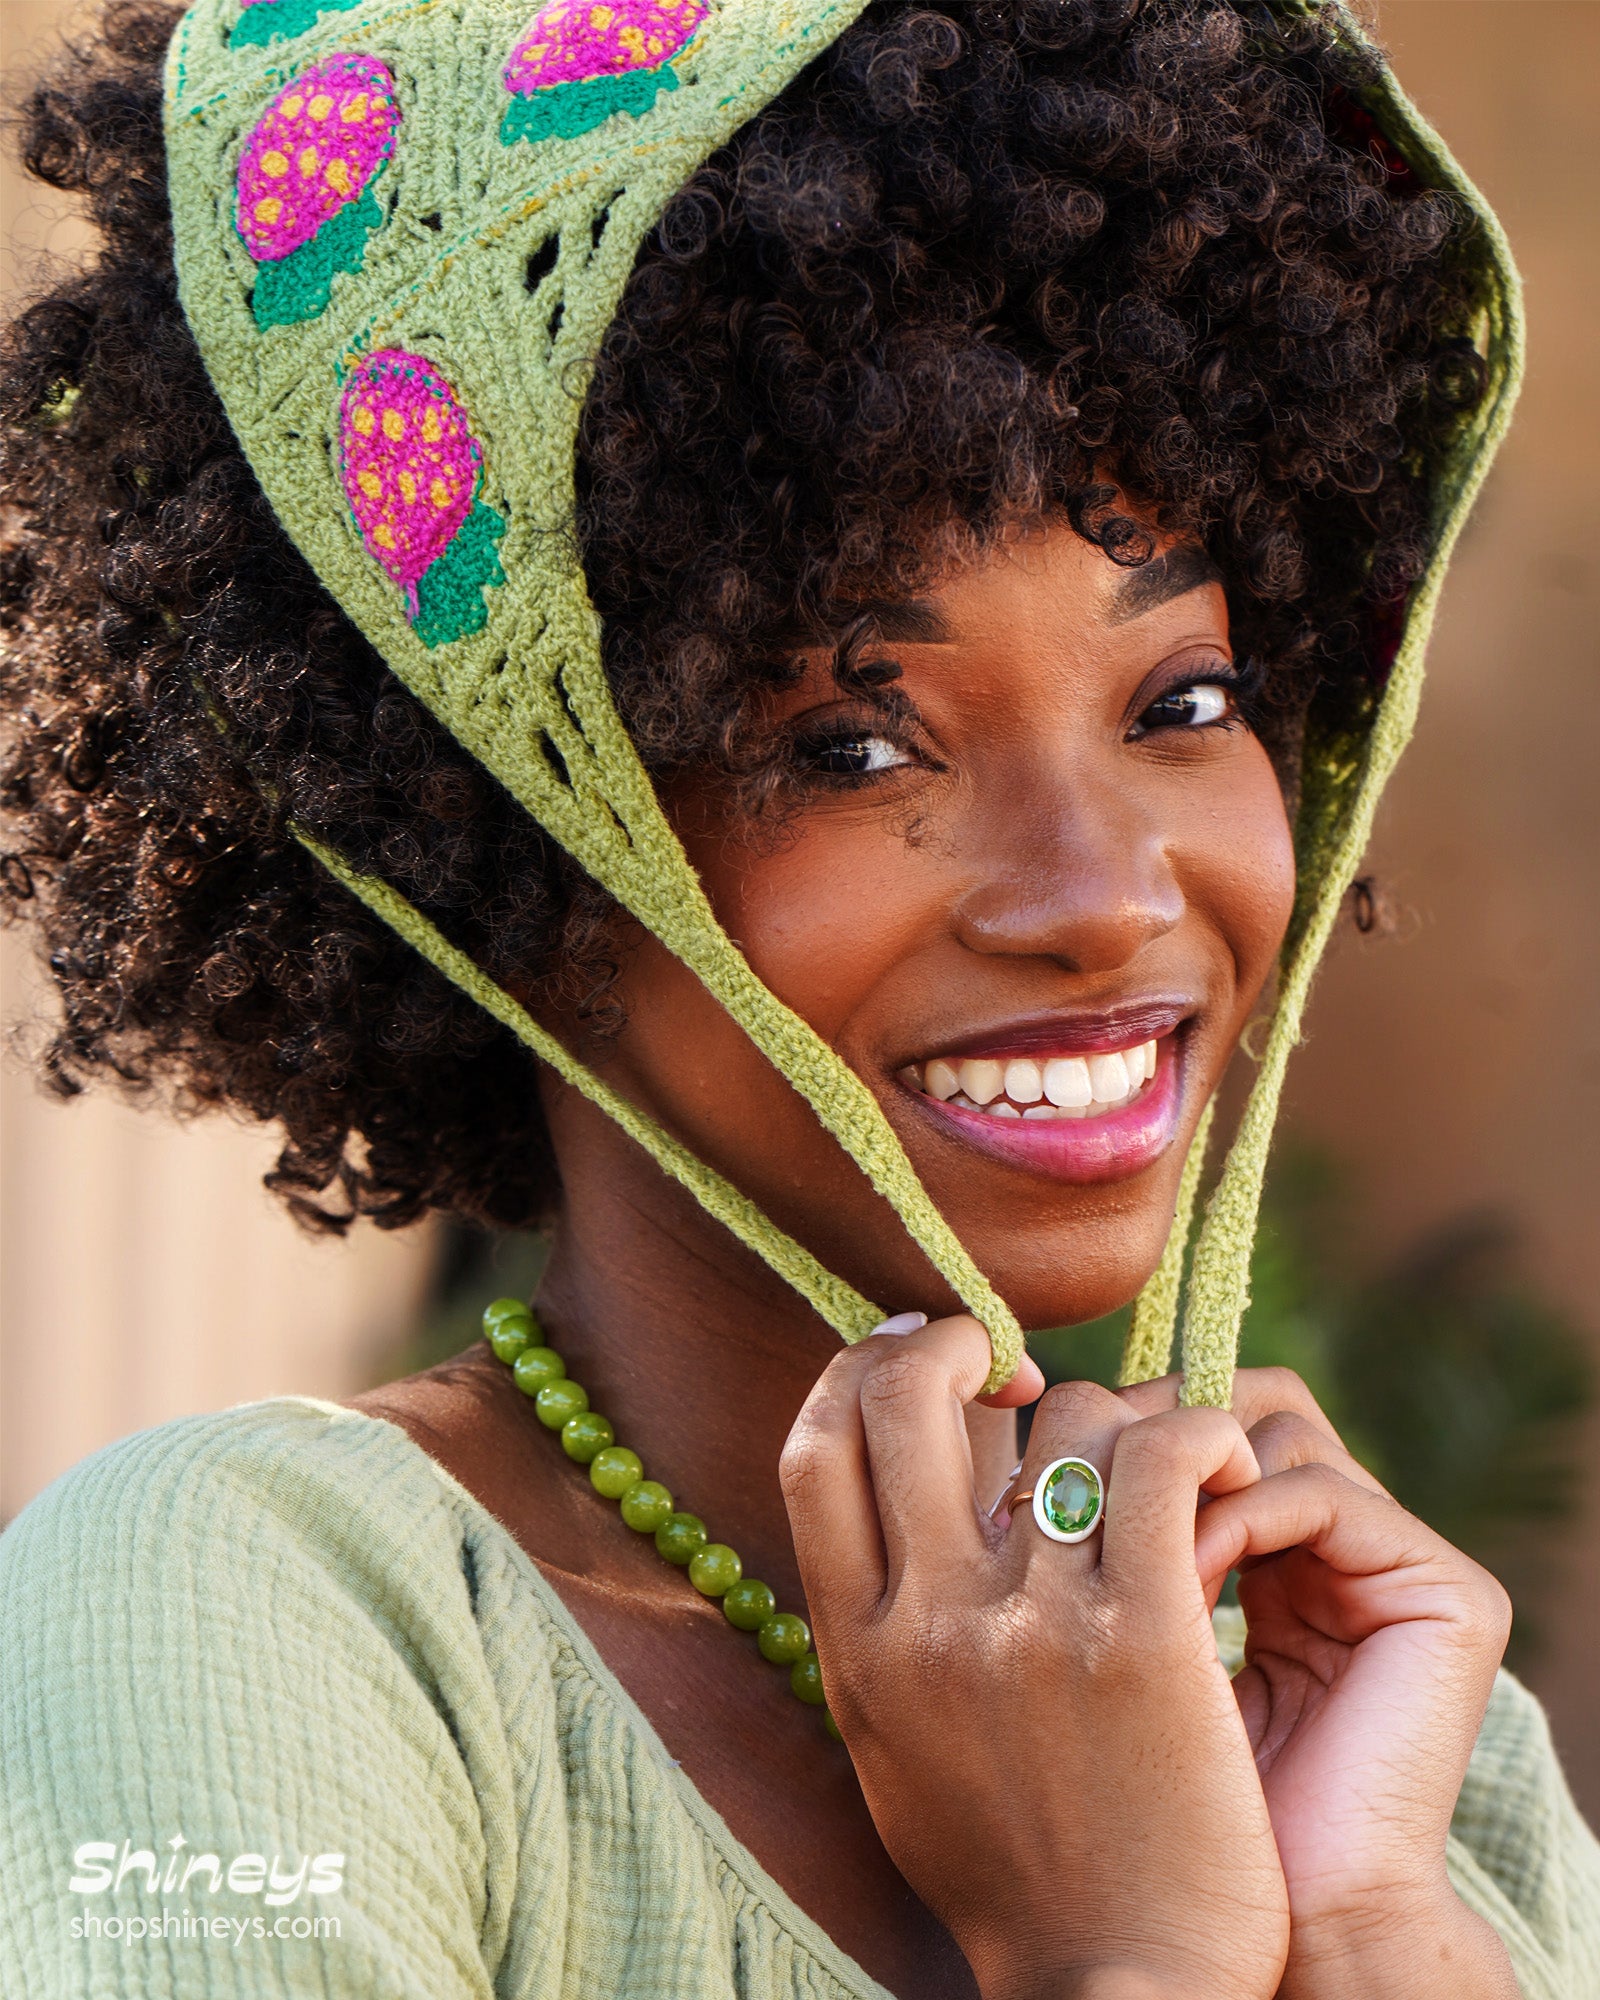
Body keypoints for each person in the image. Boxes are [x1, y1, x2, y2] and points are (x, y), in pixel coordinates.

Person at [0, 0, 1595, 1995]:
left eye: (1180, 704)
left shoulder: (1406, 1742)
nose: (1104, 901)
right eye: (853, 745)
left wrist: (1360, 1918)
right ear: (488, 834)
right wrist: (1133, 1952)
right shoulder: (239, 1615)